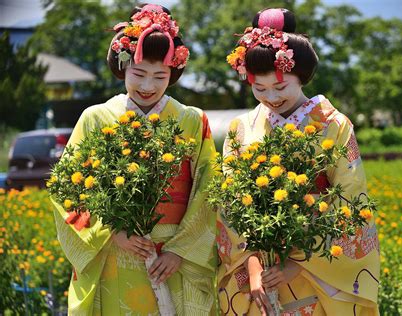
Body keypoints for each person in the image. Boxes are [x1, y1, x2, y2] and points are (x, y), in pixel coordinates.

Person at [51, 4, 216, 315]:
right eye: (139, 73)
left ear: (173, 73)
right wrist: (113, 230)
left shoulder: (193, 120)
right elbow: (65, 187)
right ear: (123, 67)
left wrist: (181, 251)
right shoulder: (96, 118)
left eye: (160, 76)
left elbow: (210, 187)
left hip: (173, 254)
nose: (147, 86)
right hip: (115, 250)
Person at [217, 8, 380, 315]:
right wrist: (251, 265)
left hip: (316, 267)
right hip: (260, 265)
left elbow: (350, 197)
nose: (270, 97)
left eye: (280, 87)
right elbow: (231, 203)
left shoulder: (334, 124)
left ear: (301, 76)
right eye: (259, 88)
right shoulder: (241, 128)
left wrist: (299, 262)